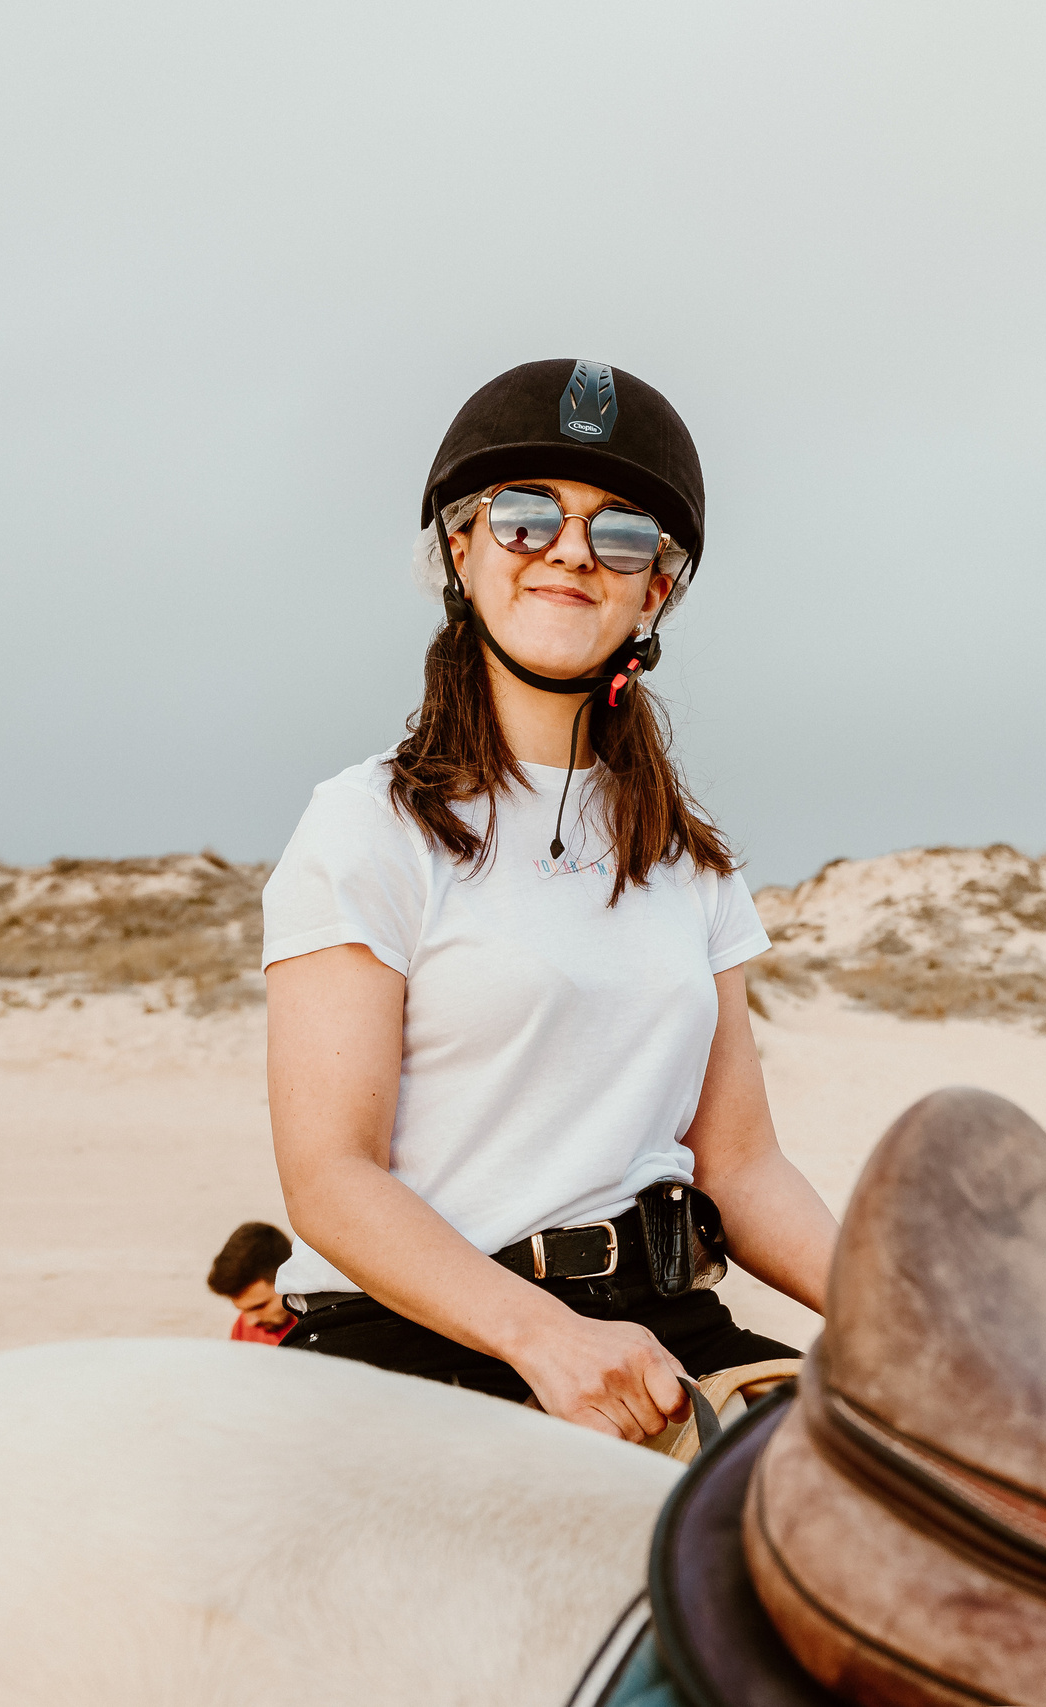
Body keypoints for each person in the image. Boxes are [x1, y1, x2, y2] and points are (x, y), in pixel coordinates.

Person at [260, 359, 836, 1442]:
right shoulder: (367, 825)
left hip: (665, 1328)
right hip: (425, 1335)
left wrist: (914, 1320)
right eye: (527, 518)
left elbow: (744, 1169)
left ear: (654, 588)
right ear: (463, 547)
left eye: (621, 534)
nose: (571, 550)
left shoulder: (688, 862)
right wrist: (542, 1338)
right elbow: (332, 1176)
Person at [208, 1222, 297, 1344]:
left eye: (260, 1306)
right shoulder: (243, 1329)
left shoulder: (327, 1328)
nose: (251, 1322)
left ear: (290, 1278)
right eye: (243, 1310)